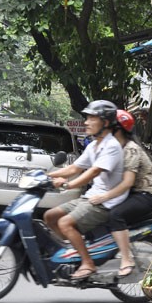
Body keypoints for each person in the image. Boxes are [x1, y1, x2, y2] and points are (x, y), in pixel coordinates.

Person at [44, 100, 128, 280]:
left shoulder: (111, 146)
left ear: (105, 123)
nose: (86, 122)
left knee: (65, 223)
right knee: (50, 216)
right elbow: (74, 168)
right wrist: (45, 175)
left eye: (92, 118)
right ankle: (75, 249)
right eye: (87, 118)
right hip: (91, 197)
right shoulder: (93, 145)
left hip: (105, 202)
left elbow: (93, 171)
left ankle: (87, 263)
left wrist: (68, 184)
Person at [88, 110, 152, 277]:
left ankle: (127, 259)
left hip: (144, 195)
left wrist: (104, 196)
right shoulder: (112, 147)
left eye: (109, 126)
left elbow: (127, 182)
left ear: (117, 129)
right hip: (128, 193)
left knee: (115, 215)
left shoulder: (130, 149)